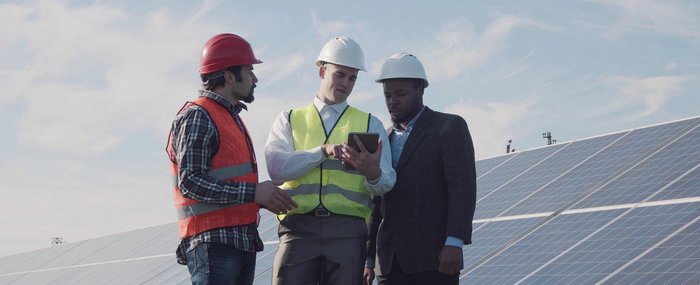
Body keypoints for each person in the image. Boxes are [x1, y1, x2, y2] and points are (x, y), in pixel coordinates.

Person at [166, 33, 297, 285]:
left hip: (237, 242)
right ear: (228, 76)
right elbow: (191, 182)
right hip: (213, 244)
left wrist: (265, 195)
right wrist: (254, 194)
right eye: (249, 71)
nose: (255, 78)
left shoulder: (228, 117)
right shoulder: (198, 116)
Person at [265, 36, 396, 285]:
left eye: (352, 78)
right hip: (298, 229)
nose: (346, 83)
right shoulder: (289, 119)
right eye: (340, 75)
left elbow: (386, 182)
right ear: (323, 71)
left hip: (348, 233)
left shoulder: (371, 123)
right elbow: (276, 169)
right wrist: (322, 152)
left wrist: (373, 173)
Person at [365, 52, 477, 285]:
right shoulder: (381, 139)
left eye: (400, 94)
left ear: (420, 90)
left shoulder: (448, 127)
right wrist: (368, 258)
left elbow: (462, 189)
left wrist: (454, 242)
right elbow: (376, 204)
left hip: (435, 259)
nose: (392, 101)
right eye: (387, 95)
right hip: (389, 263)